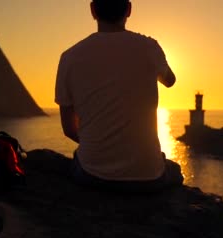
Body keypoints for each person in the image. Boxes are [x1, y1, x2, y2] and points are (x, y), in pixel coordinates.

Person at [55, 0, 183, 192]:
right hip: (149, 178)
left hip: (92, 176)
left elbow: (69, 129)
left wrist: (100, 144)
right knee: (174, 170)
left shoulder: (69, 57)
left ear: (92, 10)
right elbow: (170, 80)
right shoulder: (149, 47)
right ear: (129, 9)